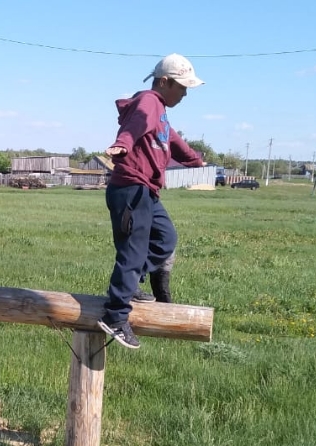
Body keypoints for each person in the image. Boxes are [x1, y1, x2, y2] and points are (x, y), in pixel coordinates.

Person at [97, 53, 206, 349]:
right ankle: (115, 317)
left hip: (146, 191)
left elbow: (174, 142)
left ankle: (130, 285)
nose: (185, 94)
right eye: (182, 87)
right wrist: (122, 144)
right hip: (131, 189)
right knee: (133, 253)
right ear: (164, 82)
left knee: (165, 238)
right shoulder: (148, 102)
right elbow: (135, 125)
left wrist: (196, 160)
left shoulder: (161, 113)